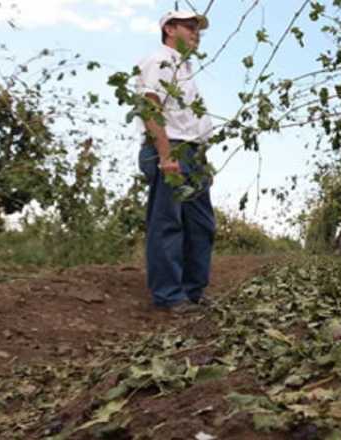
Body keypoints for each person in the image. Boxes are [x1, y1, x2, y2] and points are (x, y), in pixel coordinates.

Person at [135, 10, 216, 313]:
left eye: (198, 29)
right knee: (168, 222)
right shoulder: (159, 60)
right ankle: (169, 295)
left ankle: (193, 291)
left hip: (194, 153)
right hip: (170, 149)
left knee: (201, 224)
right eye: (190, 27)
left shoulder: (186, 68)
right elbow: (149, 104)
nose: (196, 33)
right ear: (169, 28)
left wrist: (203, 161)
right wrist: (166, 155)